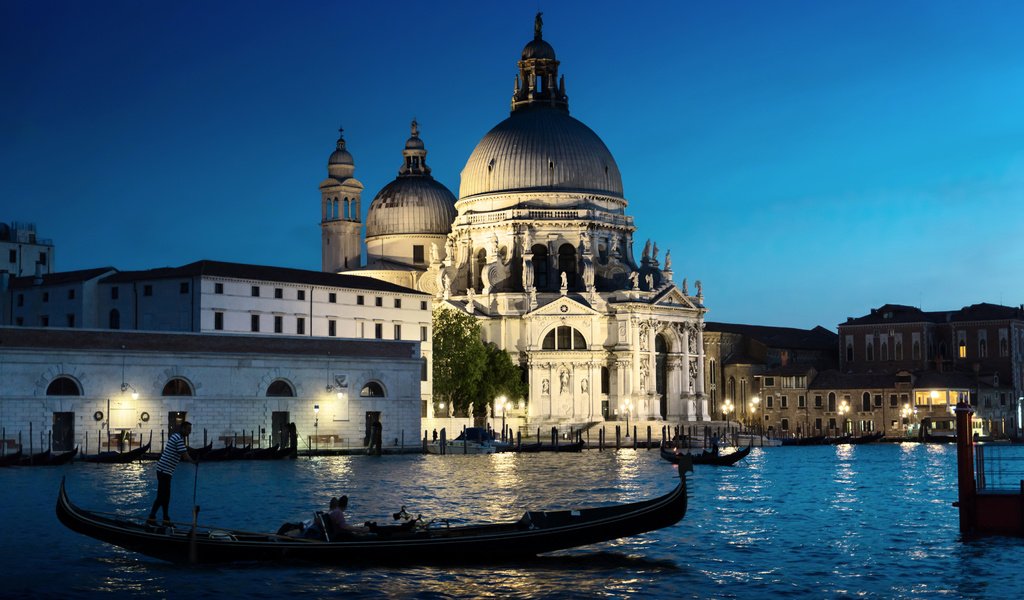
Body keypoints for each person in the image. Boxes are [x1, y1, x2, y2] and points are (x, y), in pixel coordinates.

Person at [147, 421, 195, 526]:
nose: (189, 432)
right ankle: (151, 518)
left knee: (166, 496)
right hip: (164, 470)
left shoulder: (177, 437)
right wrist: (195, 462)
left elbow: (184, 448)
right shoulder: (178, 439)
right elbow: (185, 456)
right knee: (162, 496)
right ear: (182, 429)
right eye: (188, 430)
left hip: (165, 471)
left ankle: (165, 519)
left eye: (190, 430)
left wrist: (191, 450)